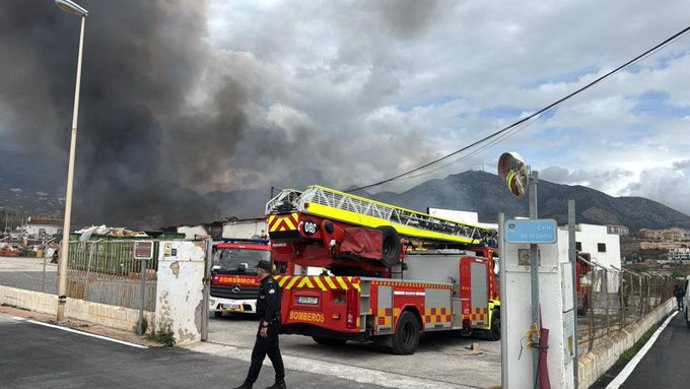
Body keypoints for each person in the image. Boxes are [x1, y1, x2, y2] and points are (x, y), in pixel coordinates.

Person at [233, 259, 286, 389]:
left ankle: (248, 384)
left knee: (257, 354)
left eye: (257, 269)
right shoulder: (266, 283)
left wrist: (265, 325)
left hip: (269, 324)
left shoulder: (269, 284)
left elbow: (271, 305)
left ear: (261, 270)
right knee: (274, 353)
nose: (256, 271)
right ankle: (280, 383)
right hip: (271, 323)